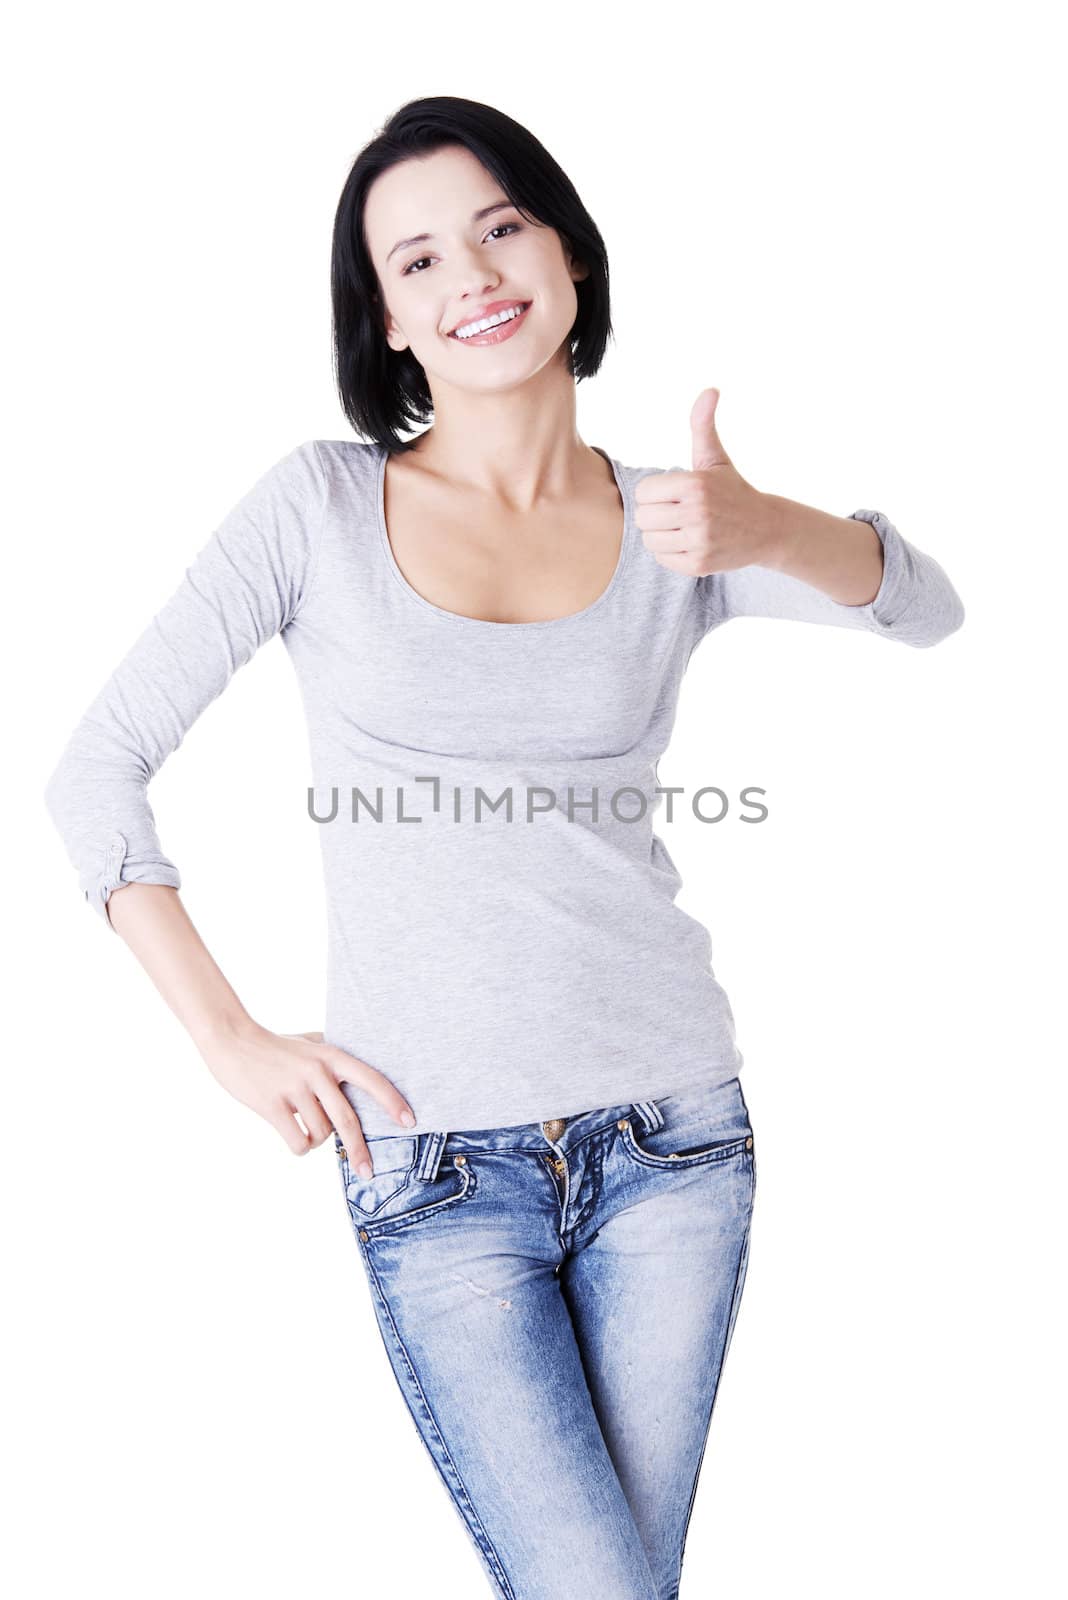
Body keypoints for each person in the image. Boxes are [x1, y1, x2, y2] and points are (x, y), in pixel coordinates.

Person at [42, 96, 965, 1600]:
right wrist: (225, 1036)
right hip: (433, 1165)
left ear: (569, 259)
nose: (470, 274)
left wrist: (768, 523)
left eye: (502, 227)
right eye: (415, 261)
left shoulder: (679, 526)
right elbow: (97, 769)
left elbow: (923, 609)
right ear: (388, 322)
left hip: (676, 1139)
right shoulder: (318, 510)